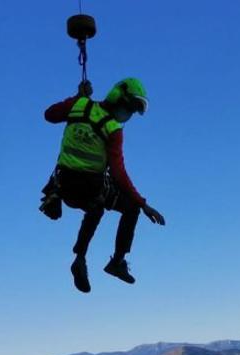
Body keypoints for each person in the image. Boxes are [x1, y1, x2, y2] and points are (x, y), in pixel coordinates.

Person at [40, 78, 165, 293]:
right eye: (130, 108)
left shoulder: (79, 106)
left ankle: (80, 257)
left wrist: (78, 98)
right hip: (91, 188)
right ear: (119, 99)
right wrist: (142, 203)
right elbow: (118, 172)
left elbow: (49, 115)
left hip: (64, 187)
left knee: (95, 207)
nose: (130, 115)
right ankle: (116, 262)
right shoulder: (113, 129)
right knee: (118, 206)